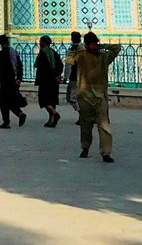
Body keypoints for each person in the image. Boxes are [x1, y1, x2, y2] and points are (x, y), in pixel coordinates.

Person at [66, 30, 123, 163]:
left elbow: (117, 48)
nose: (94, 46)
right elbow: (69, 60)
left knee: (104, 125)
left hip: (100, 96)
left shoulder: (103, 57)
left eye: (95, 43)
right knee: (86, 125)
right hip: (85, 96)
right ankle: (85, 147)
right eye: (92, 44)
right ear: (86, 45)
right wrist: (77, 50)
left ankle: (106, 152)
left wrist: (101, 46)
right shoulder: (81, 56)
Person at [0, 34, 27, 128]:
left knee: (4, 102)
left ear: (0, 43)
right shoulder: (13, 52)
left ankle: (8, 121)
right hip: (14, 80)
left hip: (6, 81)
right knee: (10, 100)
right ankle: (19, 115)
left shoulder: (1, 54)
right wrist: (19, 78)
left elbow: (2, 69)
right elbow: (20, 66)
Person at [34, 35, 63, 128]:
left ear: (43, 42)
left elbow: (43, 68)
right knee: (52, 100)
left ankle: (55, 114)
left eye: (41, 41)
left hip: (45, 81)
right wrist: (57, 75)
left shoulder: (43, 53)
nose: (39, 43)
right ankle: (51, 120)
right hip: (54, 81)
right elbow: (60, 65)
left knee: (44, 100)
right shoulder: (53, 52)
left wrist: (52, 76)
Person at [65, 31, 83, 122]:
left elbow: (68, 64)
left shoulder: (75, 50)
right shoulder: (81, 48)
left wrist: (65, 77)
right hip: (79, 77)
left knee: (72, 98)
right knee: (75, 97)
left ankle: (82, 115)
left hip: (75, 77)